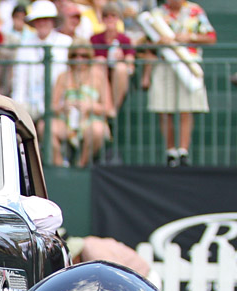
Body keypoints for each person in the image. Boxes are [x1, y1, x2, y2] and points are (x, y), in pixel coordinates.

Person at [140, 0, 215, 167]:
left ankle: (183, 152)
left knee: (186, 109)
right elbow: (146, 42)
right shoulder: (157, 14)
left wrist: (190, 37)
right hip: (164, 63)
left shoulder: (195, 11)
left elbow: (211, 37)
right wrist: (158, 42)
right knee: (163, 108)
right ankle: (170, 152)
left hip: (189, 65)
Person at [11, 0, 71, 135]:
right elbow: (20, 80)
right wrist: (19, 108)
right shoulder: (25, 45)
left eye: (46, 19)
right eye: (39, 20)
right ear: (34, 23)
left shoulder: (66, 42)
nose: (42, 23)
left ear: (53, 22)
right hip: (32, 103)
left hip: (60, 103)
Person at [50, 40, 111, 166]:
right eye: (75, 55)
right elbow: (52, 105)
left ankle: (81, 165)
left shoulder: (99, 76)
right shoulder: (63, 76)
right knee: (45, 127)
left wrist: (90, 106)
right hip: (67, 121)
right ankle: (60, 166)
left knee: (97, 130)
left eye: (83, 56)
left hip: (90, 120)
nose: (79, 59)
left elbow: (109, 108)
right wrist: (64, 107)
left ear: (89, 57)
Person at [90, 1, 134, 115]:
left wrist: (122, 58)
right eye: (106, 16)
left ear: (118, 18)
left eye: (113, 16)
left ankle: (113, 108)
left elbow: (130, 63)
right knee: (99, 64)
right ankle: (105, 106)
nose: (110, 19)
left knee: (121, 68)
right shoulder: (94, 39)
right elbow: (88, 60)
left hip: (117, 77)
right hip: (99, 76)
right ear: (102, 19)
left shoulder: (125, 39)